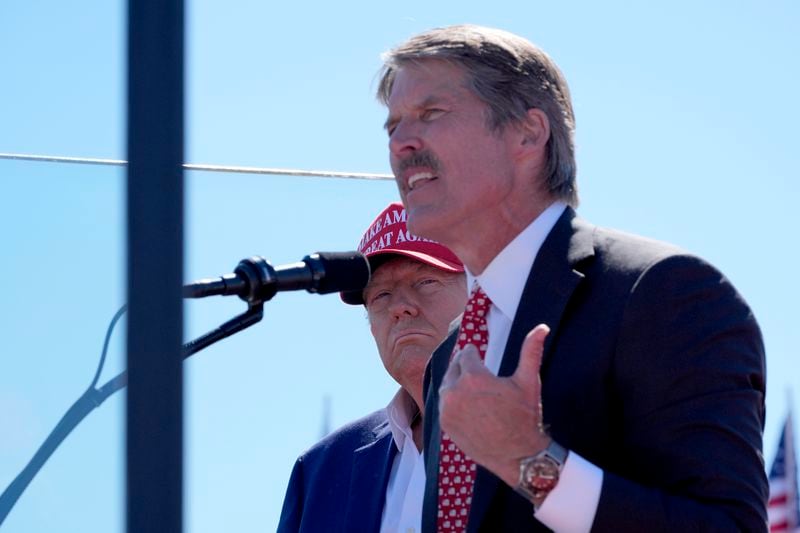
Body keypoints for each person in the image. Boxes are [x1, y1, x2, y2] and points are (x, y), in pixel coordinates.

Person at [377, 25, 768, 532]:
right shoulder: (449, 357)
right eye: (392, 128)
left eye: (431, 114)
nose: (402, 143)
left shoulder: (662, 292)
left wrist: (532, 463)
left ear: (527, 132)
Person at [277, 201, 467, 532]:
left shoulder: (538, 425)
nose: (401, 307)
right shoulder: (322, 470)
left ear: (480, 293)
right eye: (380, 296)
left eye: (425, 282)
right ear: (370, 325)